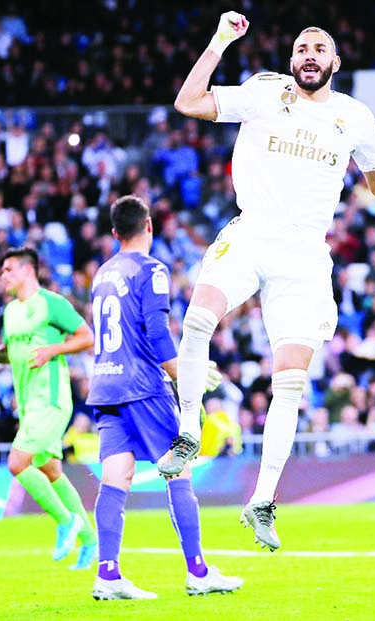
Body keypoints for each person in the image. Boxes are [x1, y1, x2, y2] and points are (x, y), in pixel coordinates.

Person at [161, 12, 375, 551]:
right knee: (198, 317)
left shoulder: (355, 117)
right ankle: (187, 434)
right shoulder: (263, 93)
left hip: (304, 259)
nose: (309, 55)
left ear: (335, 63)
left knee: (290, 384)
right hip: (251, 234)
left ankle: (262, 502)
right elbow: (188, 102)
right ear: (292, 60)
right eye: (301, 48)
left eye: (319, 49)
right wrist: (221, 41)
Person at [87, 195, 242, 600]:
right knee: (180, 470)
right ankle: (198, 572)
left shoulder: (102, 273)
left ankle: (108, 573)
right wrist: (182, 374)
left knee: (115, 477)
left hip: (106, 385)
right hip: (143, 385)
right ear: (150, 226)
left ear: (115, 232)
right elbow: (156, 331)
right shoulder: (152, 270)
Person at [0, 246, 97, 568]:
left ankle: (65, 521)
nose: (3, 276)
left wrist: (53, 350)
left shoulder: (52, 303)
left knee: (17, 463)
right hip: (28, 403)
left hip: (52, 398)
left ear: (28, 270)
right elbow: (13, 351)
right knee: (51, 470)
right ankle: (90, 540)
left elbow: (88, 337)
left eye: (9, 269)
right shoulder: (10, 311)